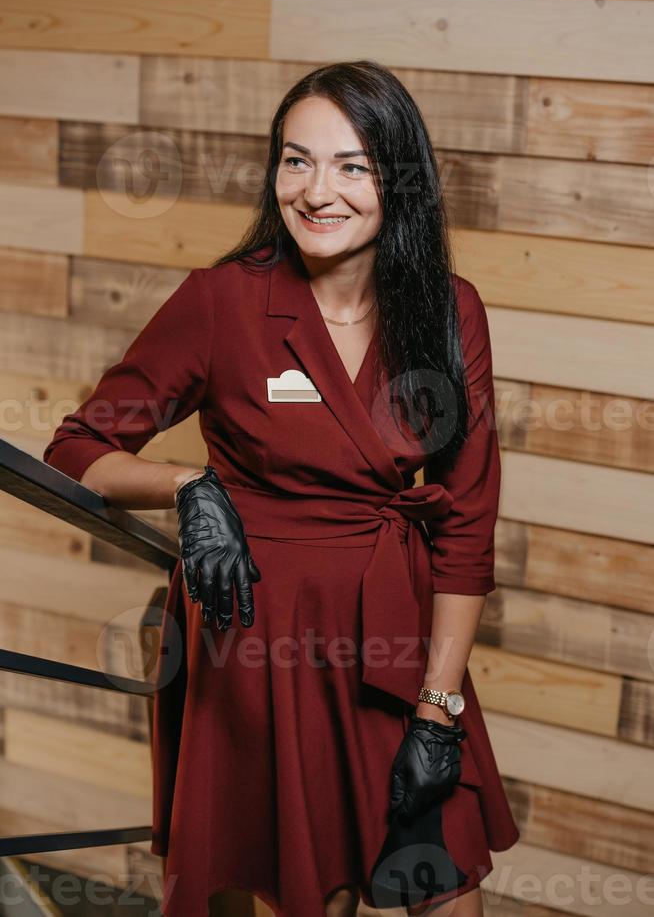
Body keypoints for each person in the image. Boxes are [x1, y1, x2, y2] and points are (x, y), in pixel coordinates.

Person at [43, 59, 520, 917]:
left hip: (396, 635)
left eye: (352, 165)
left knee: (444, 885)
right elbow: (76, 447)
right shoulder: (223, 301)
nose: (317, 190)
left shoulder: (450, 310)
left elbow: (466, 525)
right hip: (261, 645)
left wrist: (438, 711)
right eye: (296, 160)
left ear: (397, 179)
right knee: (307, 892)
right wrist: (189, 484)